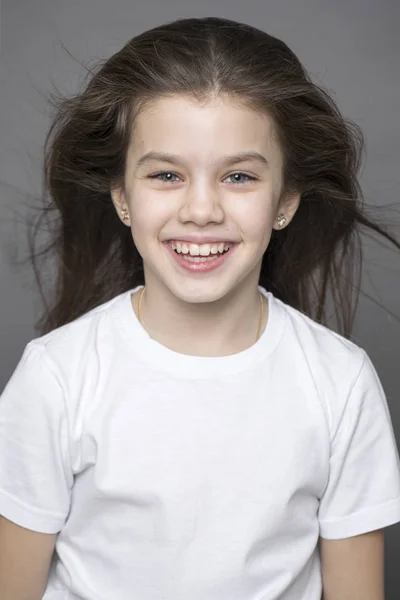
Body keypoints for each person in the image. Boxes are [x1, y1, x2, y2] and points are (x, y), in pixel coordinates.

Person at [0, 15, 399, 600]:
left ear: (285, 199)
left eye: (238, 176)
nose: (202, 209)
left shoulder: (340, 382)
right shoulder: (57, 377)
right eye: (166, 175)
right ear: (123, 197)